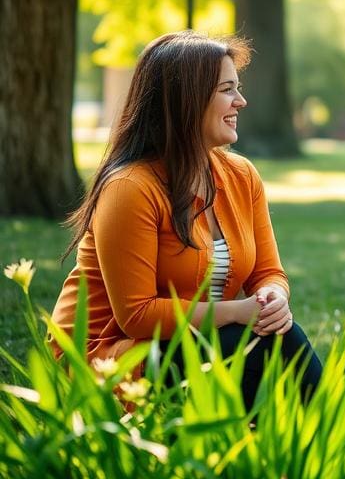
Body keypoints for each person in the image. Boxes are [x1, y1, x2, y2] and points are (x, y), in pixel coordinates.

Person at [51, 31, 322, 408]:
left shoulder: (241, 175)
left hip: (197, 342)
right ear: (187, 101)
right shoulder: (131, 187)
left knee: (274, 336)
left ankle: (300, 454)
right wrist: (238, 312)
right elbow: (138, 315)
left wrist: (273, 297)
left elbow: (268, 271)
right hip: (115, 358)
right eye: (228, 89)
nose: (241, 101)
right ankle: (330, 452)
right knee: (258, 345)